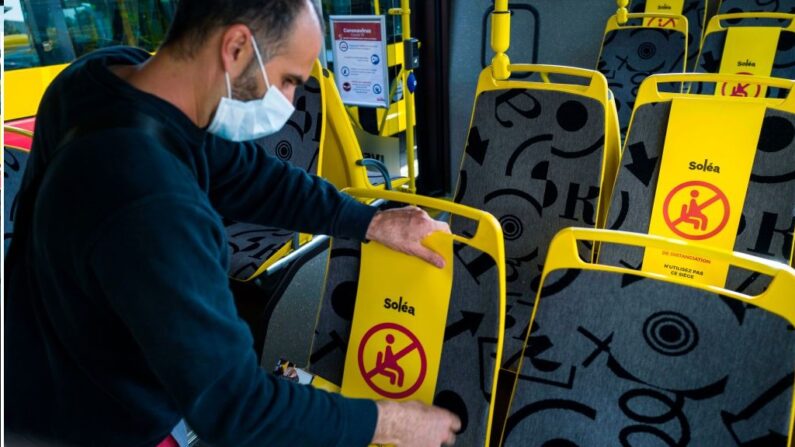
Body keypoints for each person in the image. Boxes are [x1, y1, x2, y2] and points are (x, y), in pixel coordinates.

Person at [4, 0, 461, 446]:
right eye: (287, 80)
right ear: (237, 47)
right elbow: (236, 406)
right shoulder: (153, 203)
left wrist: (368, 221)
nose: (289, 102)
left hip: (42, 362)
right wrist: (390, 422)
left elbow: (247, 174)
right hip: (88, 422)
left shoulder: (98, 77)